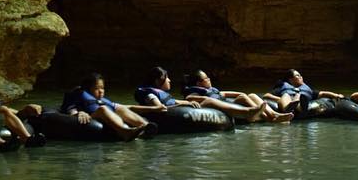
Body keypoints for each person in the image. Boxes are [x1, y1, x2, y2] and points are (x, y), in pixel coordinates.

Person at [132, 66, 262, 121]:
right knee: (209, 101)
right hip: (170, 117)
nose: (170, 80)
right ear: (158, 81)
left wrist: (189, 103)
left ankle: (251, 112)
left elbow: (177, 101)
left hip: (186, 110)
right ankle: (247, 113)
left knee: (208, 101)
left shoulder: (160, 93)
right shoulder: (150, 95)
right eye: (167, 78)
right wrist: (187, 104)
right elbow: (159, 109)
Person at [60, 73, 155, 140]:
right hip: (91, 117)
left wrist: (153, 108)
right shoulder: (78, 95)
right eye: (97, 88)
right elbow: (71, 110)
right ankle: (125, 132)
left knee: (120, 108)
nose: (101, 91)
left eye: (102, 88)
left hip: (105, 115)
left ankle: (145, 126)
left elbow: (126, 107)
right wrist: (79, 113)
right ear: (87, 89)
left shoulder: (102, 100)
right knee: (103, 109)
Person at [183, 69, 293, 123]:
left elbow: (228, 93)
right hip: (223, 109)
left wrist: (243, 94)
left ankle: (274, 114)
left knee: (252, 95)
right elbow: (189, 98)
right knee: (243, 98)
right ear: (198, 83)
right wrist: (207, 98)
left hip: (229, 104)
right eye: (206, 79)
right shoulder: (196, 92)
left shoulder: (214, 91)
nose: (209, 79)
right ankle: (268, 118)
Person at [267, 69, 344, 112]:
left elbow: (323, 93)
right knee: (286, 95)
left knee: (301, 97)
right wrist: (280, 99)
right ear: (290, 79)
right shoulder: (283, 87)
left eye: (300, 75)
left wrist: (336, 95)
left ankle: (300, 107)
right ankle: (288, 108)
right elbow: (267, 96)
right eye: (297, 75)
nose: (301, 77)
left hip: (301, 101)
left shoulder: (306, 89)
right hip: (288, 101)